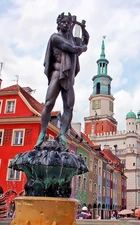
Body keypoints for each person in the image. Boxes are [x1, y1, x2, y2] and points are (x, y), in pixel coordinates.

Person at [35, 12, 89, 150]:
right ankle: (42, 132)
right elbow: (71, 48)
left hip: (68, 77)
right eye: (63, 22)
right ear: (59, 24)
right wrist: (81, 48)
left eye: (68, 22)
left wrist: (83, 29)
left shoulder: (72, 39)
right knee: (48, 103)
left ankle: (63, 133)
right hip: (56, 73)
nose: (66, 24)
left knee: (69, 107)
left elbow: (85, 41)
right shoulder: (55, 38)